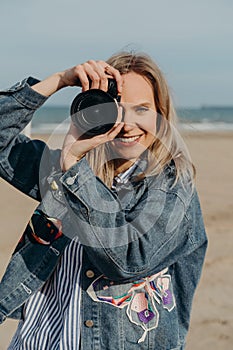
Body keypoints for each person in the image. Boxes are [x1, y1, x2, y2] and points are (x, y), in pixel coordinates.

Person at [0, 52, 207, 349]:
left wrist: (74, 169)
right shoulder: (62, 172)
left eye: (142, 110)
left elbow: (126, 260)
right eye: (116, 110)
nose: (127, 124)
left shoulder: (174, 190)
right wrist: (59, 80)